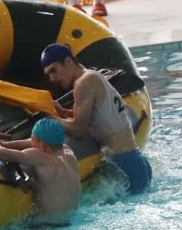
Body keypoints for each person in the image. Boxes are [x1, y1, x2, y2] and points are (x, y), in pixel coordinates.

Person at [40, 43, 151, 193]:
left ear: (68, 61)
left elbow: (78, 131)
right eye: (48, 74)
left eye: (54, 70)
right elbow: (97, 115)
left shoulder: (83, 83)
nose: (52, 78)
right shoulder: (92, 76)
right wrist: (63, 112)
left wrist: (50, 117)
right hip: (133, 160)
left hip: (124, 164)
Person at [0, 118, 80, 225]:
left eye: (33, 139)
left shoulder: (40, 156)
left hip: (48, 224)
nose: (30, 143)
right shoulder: (68, 152)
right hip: (70, 219)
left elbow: (2, 153)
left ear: (42, 145)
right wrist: (3, 143)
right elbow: (28, 143)